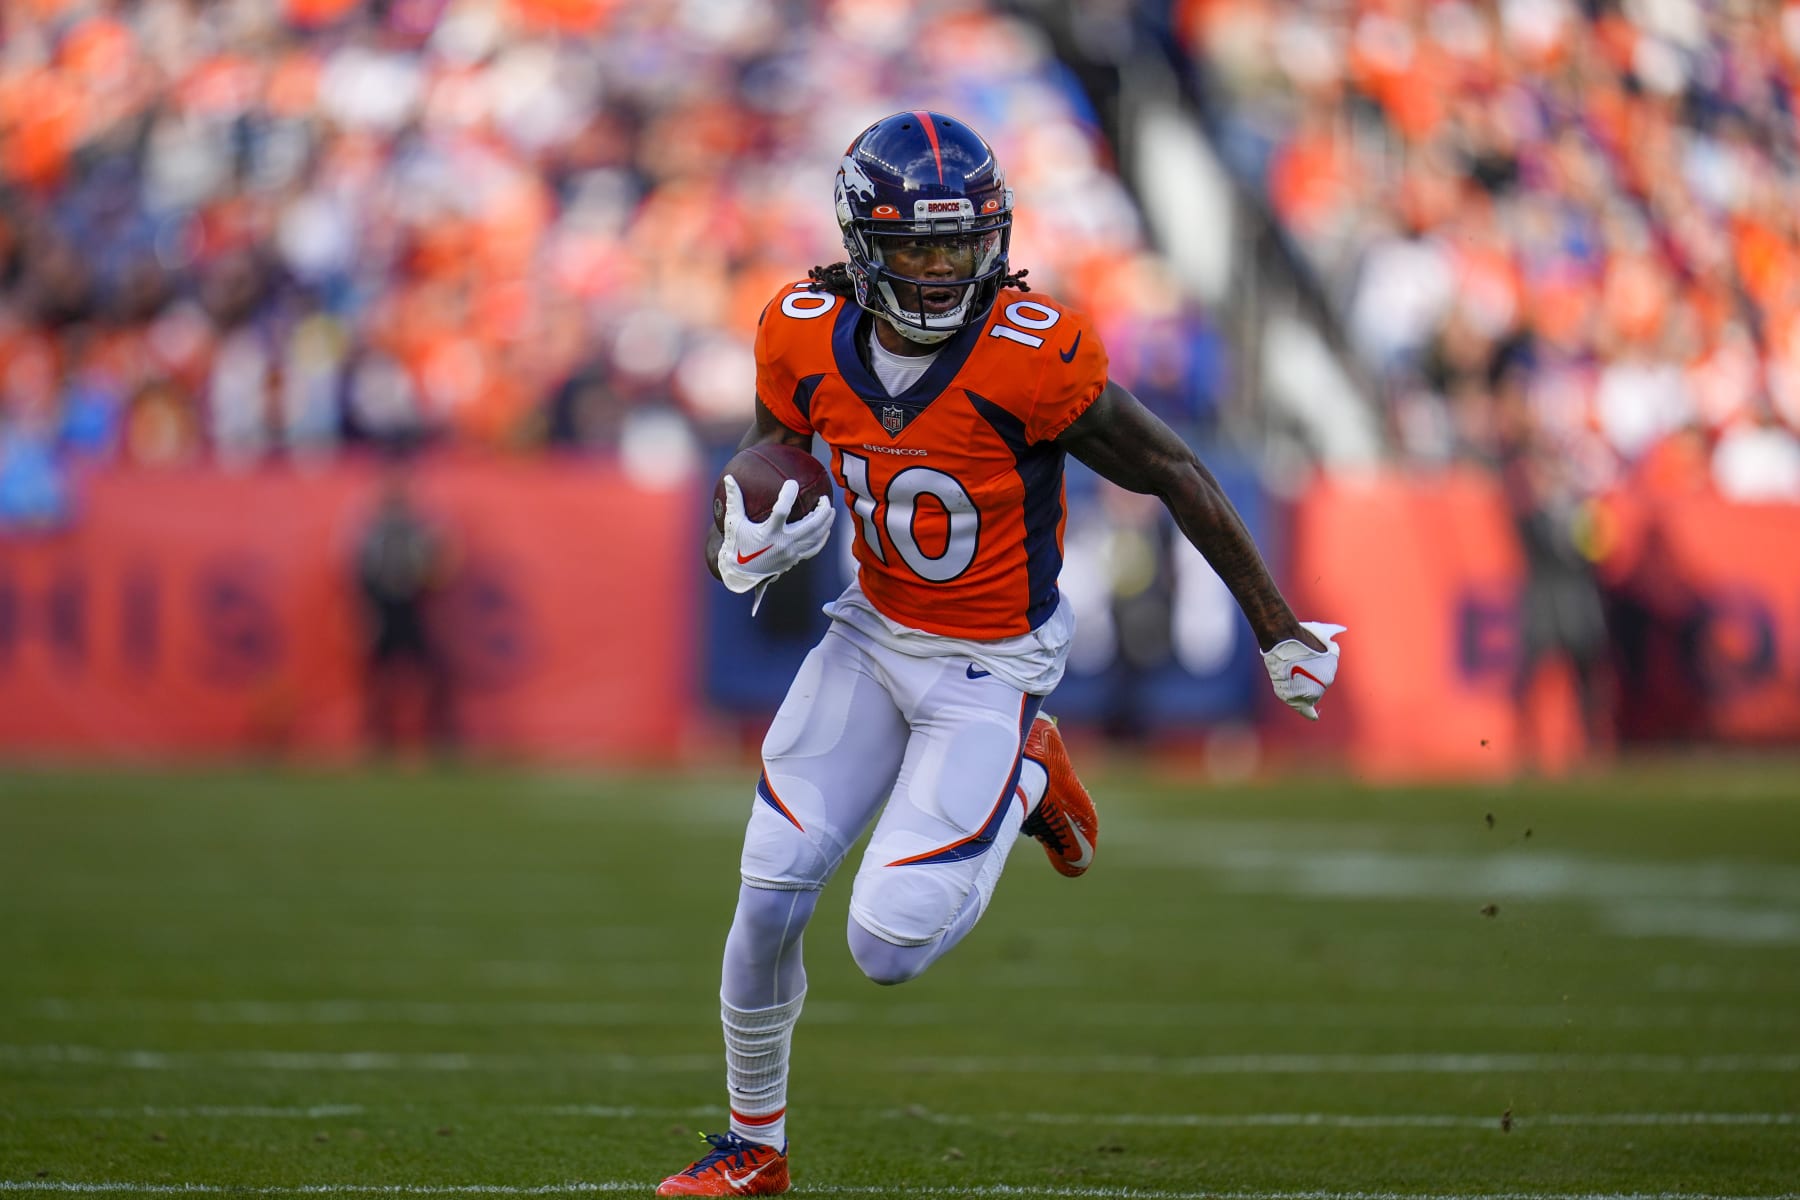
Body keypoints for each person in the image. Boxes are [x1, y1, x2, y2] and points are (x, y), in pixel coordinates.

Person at [658, 112, 1345, 1197]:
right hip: (869, 635)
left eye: (960, 245)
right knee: (769, 889)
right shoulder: (799, 328)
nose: (941, 270)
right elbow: (764, 457)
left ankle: (1031, 770)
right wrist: (735, 539)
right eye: (917, 247)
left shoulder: (1032, 352)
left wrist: (1276, 625)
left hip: (989, 663)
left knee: (885, 945)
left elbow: (1172, 468)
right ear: (861, 244)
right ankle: (755, 1146)